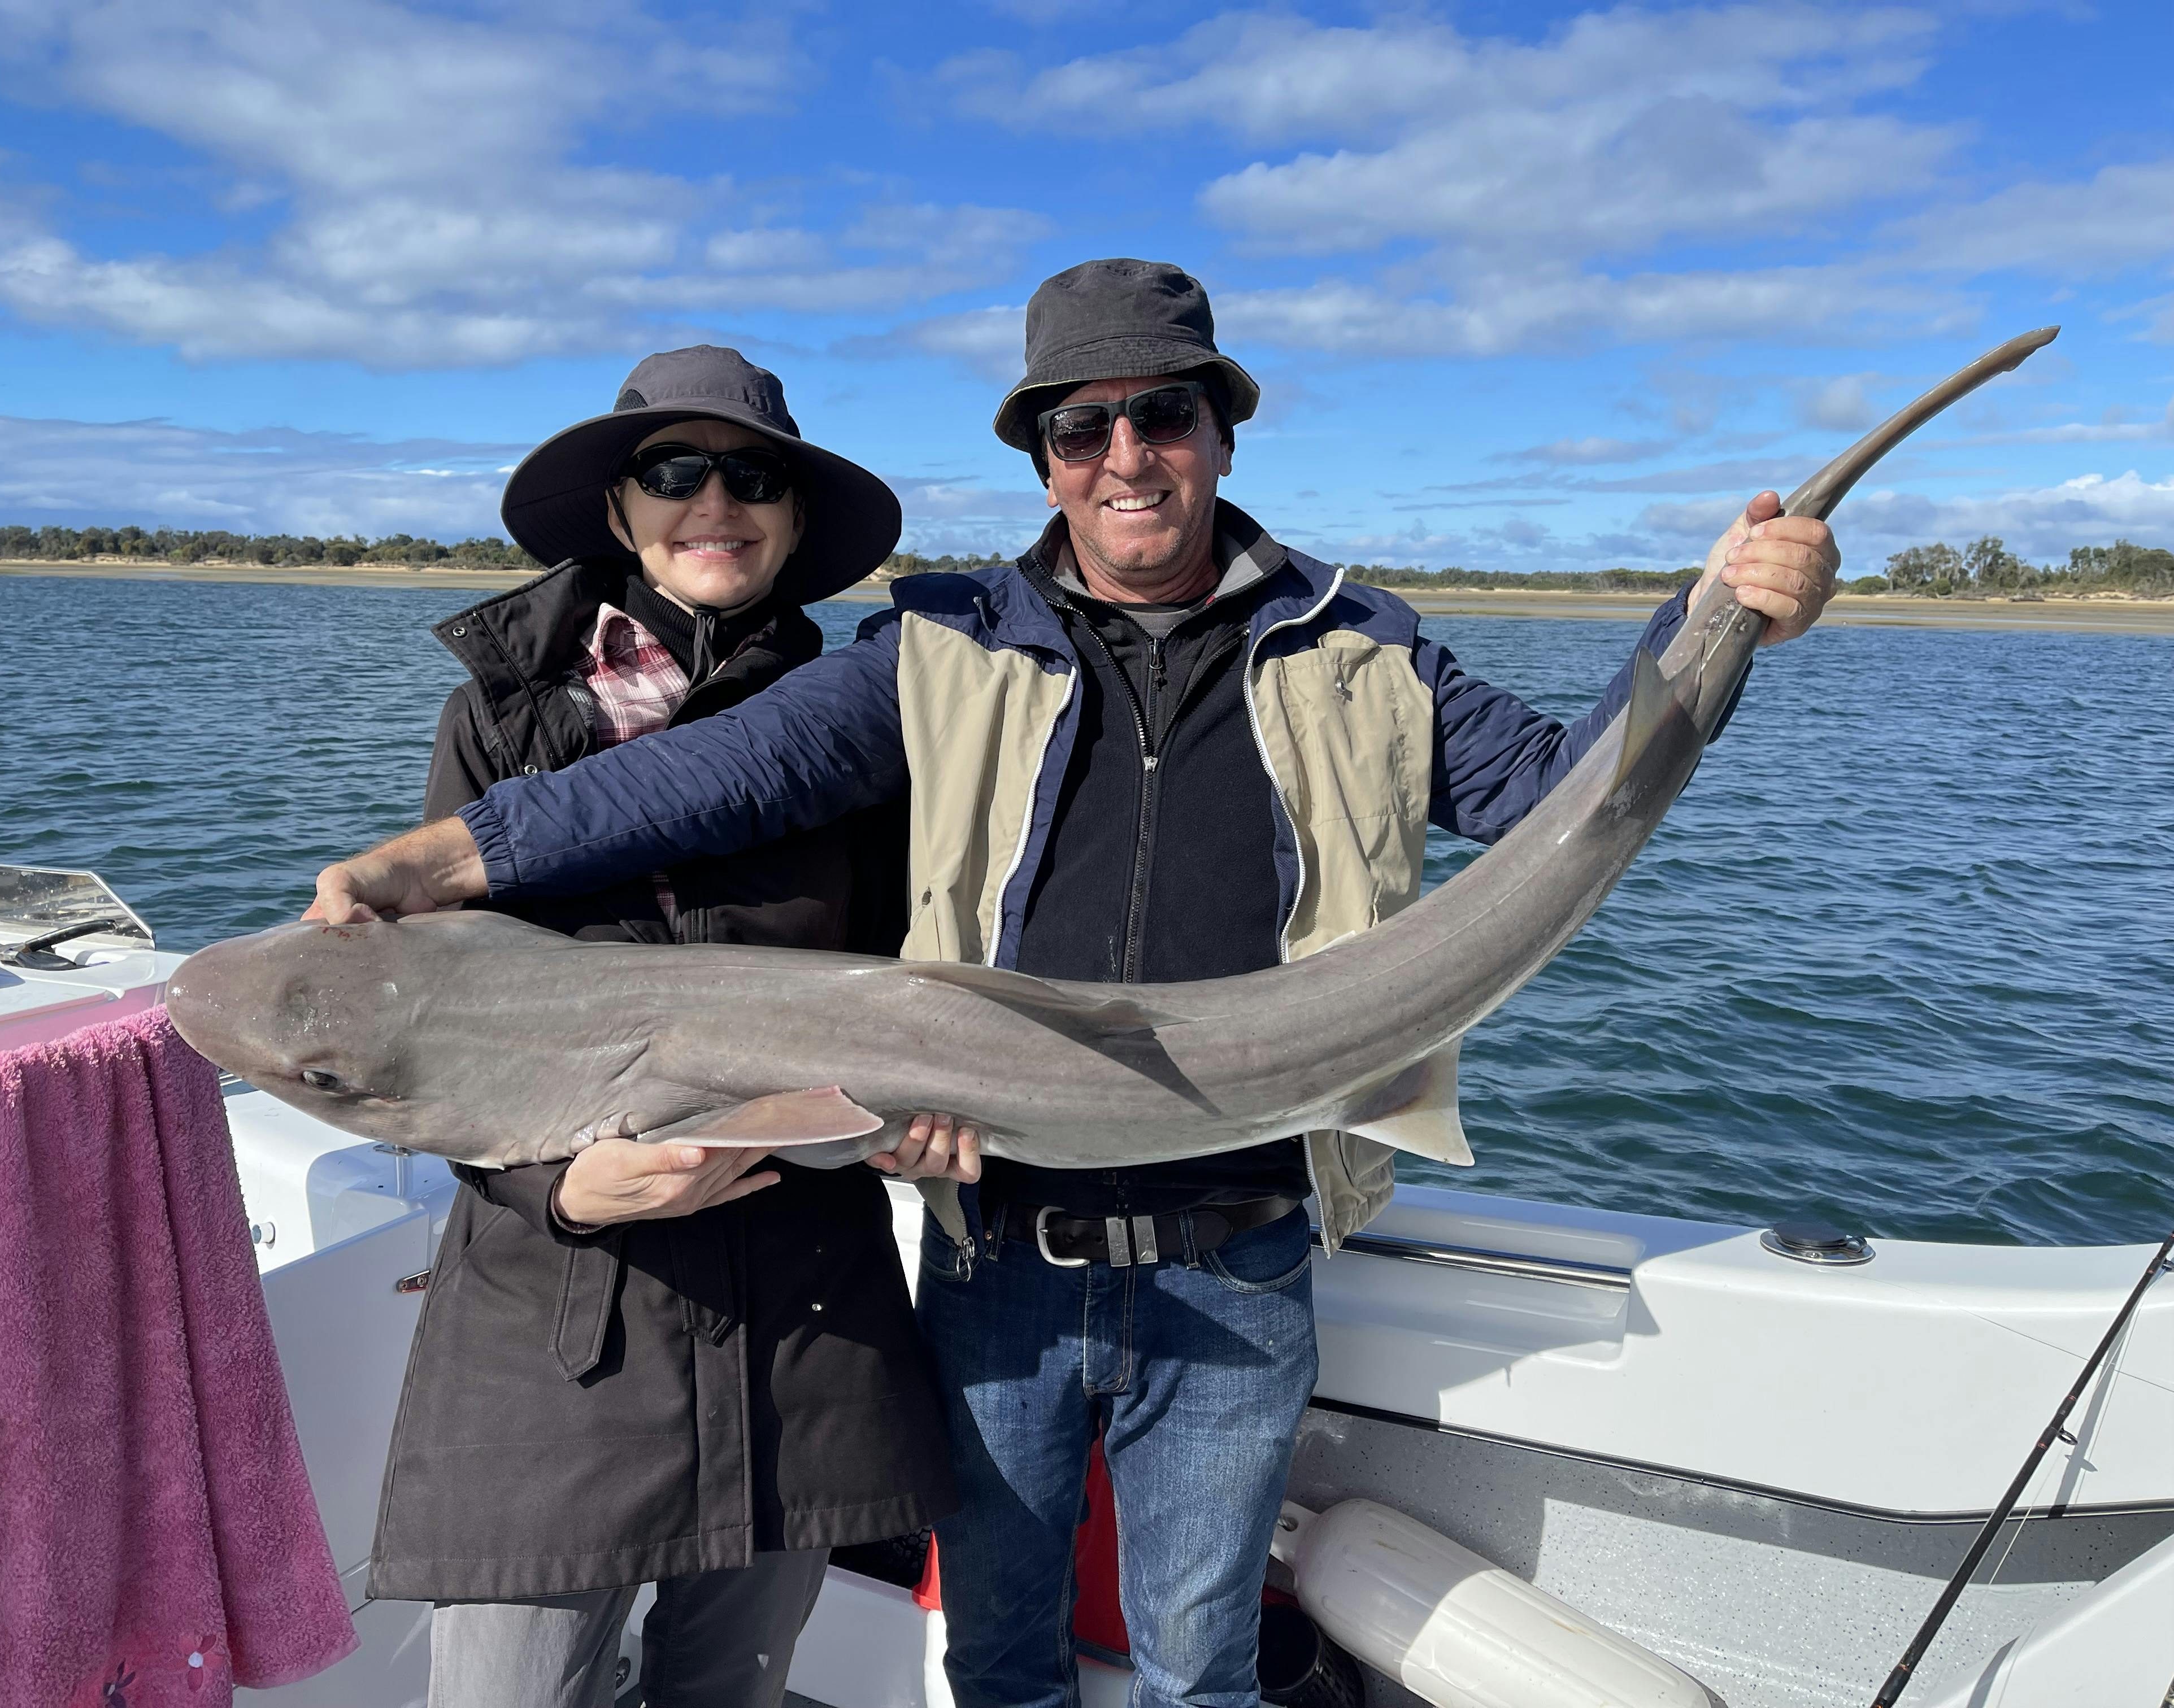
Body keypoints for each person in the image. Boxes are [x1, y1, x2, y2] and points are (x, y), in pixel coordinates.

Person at [311, 262, 1840, 1708]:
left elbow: (1574, 799)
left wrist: (1713, 624)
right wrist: (454, 856)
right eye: (1078, 424)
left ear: (1223, 431)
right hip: (998, 1255)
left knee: (1199, 1674)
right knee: (1005, 1674)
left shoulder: (1367, 648)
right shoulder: (942, 645)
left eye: (1162, 413)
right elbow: (712, 780)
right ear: (1041, 460)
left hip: (1240, 1256)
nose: (1126, 455)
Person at [360, 345, 969, 1708]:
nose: (717, 501)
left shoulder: (873, 734)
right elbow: (417, 1031)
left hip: (804, 1323)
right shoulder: (503, 722)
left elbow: (920, 988)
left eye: (754, 475)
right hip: (561, 1327)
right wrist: (562, 1187)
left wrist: (919, 1125)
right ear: (620, 509)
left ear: (799, 518)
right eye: (674, 471)